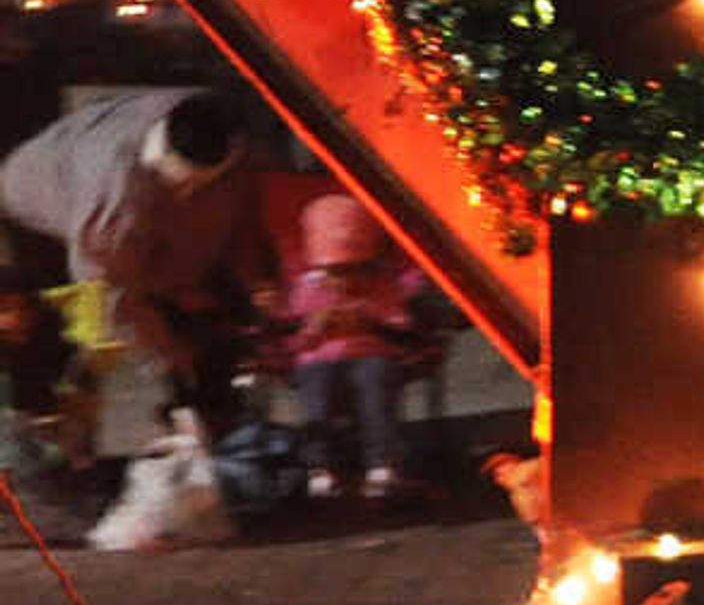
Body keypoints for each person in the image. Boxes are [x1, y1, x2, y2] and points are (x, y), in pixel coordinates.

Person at [0, 87, 273, 430]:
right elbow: (114, 299)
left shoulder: (215, 121)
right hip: (36, 211)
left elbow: (239, 212)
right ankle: (50, 425)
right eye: (181, 183)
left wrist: (258, 280)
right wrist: (169, 357)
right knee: (63, 328)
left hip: (125, 218)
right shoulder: (113, 206)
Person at [283, 191, 427, 502]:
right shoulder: (309, 290)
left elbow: (400, 326)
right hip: (318, 358)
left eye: (353, 270)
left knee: (374, 390)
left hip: (370, 354)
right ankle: (320, 467)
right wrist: (315, 329)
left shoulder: (382, 284)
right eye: (336, 273)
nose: (345, 281)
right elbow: (292, 340)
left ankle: (382, 463)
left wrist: (368, 318)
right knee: (316, 398)